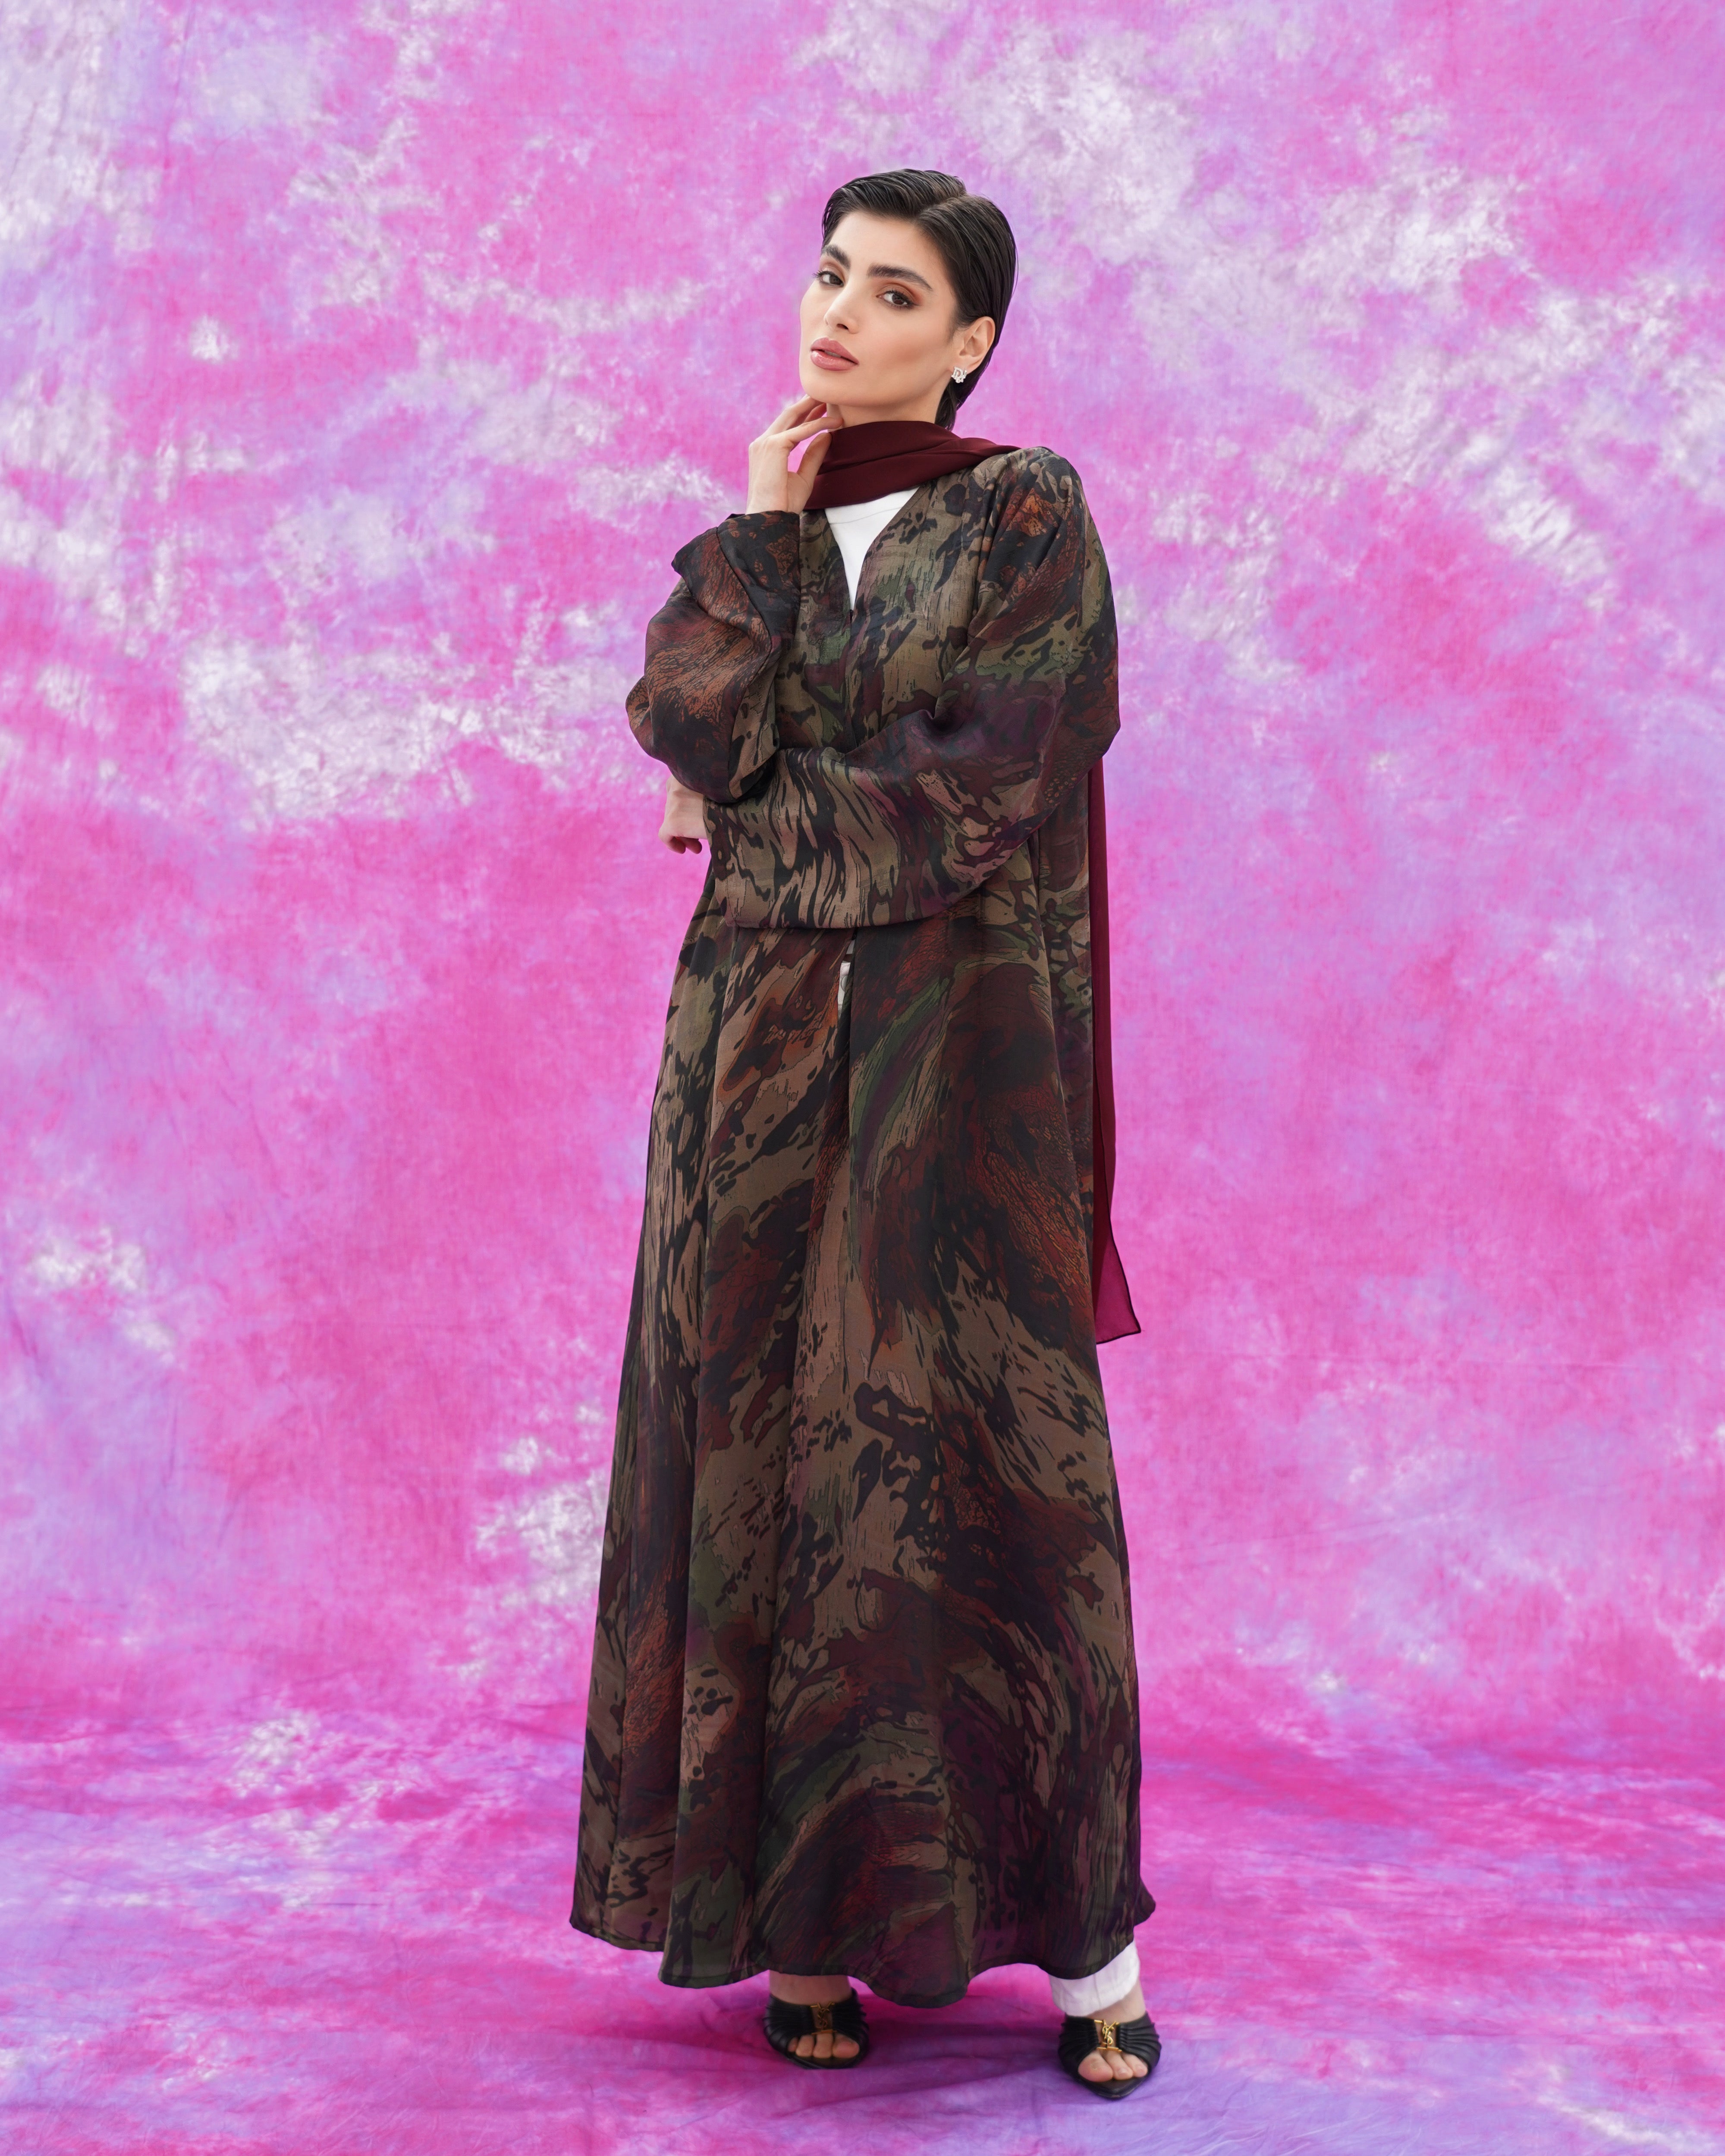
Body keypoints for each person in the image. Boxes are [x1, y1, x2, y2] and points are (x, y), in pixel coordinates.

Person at [571, 168, 1159, 2100]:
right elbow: (685, 719)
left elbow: (977, 788)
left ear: (969, 339)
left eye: (894, 294)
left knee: (979, 1468)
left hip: (959, 1076)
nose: (841, 313)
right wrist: (762, 528)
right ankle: (804, 1928)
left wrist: (763, 809)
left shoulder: (1026, 513)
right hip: (745, 1073)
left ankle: (1089, 1946)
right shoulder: (760, 534)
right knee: (766, 1463)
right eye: (831, 275)